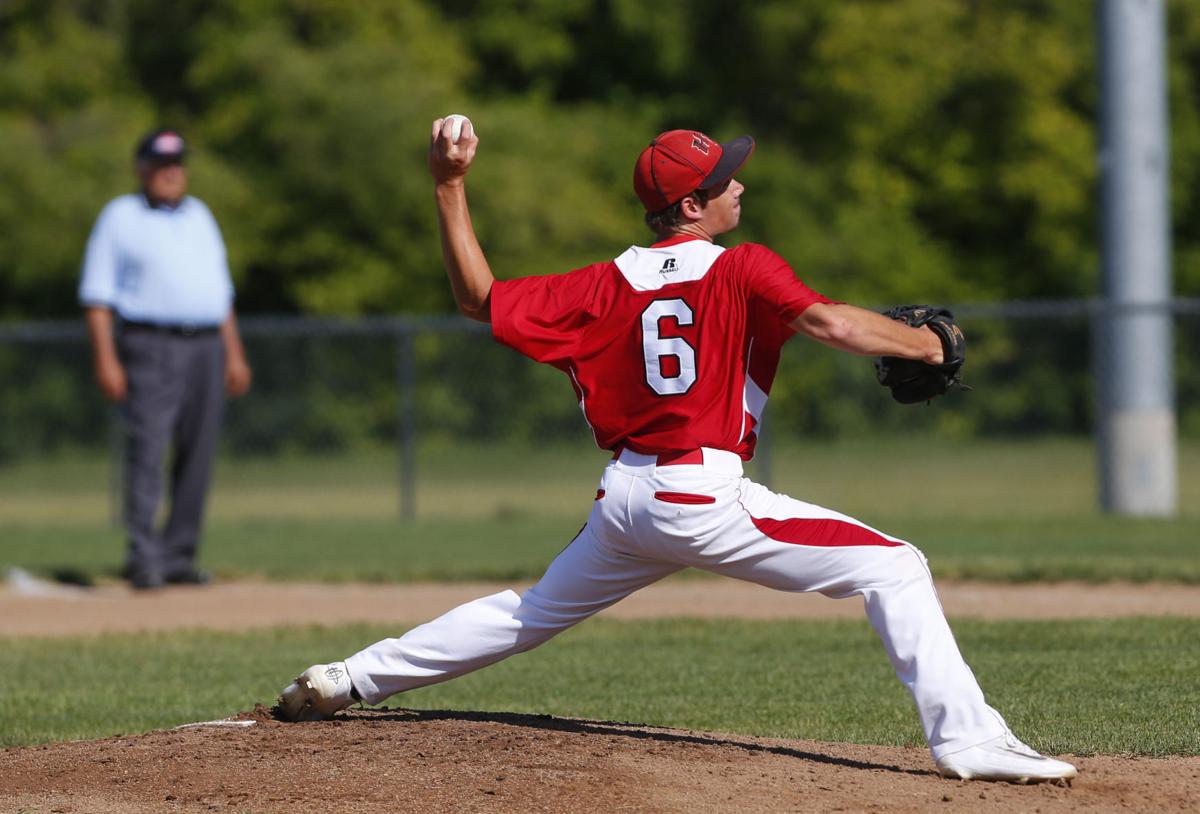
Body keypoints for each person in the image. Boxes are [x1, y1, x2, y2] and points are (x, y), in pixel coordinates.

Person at [277, 119, 1076, 784]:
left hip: (623, 502)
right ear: (690, 204)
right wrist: (926, 345)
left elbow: (475, 298)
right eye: (725, 179)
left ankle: (350, 678)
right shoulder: (742, 269)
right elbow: (830, 324)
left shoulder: (600, 286)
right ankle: (968, 739)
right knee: (895, 564)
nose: (738, 185)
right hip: (700, 497)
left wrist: (449, 184)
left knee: (528, 614)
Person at [79, 128, 252, 590]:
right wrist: (106, 359)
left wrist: (234, 354)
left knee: (199, 453)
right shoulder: (120, 216)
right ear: (143, 169)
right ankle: (144, 558)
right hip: (149, 345)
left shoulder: (199, 215)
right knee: (149, 450)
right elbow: (97, 298)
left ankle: (178, 555)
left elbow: (221, 294)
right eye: (162, 165)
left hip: (207, 347)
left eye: (178, 165)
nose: (172, 173)